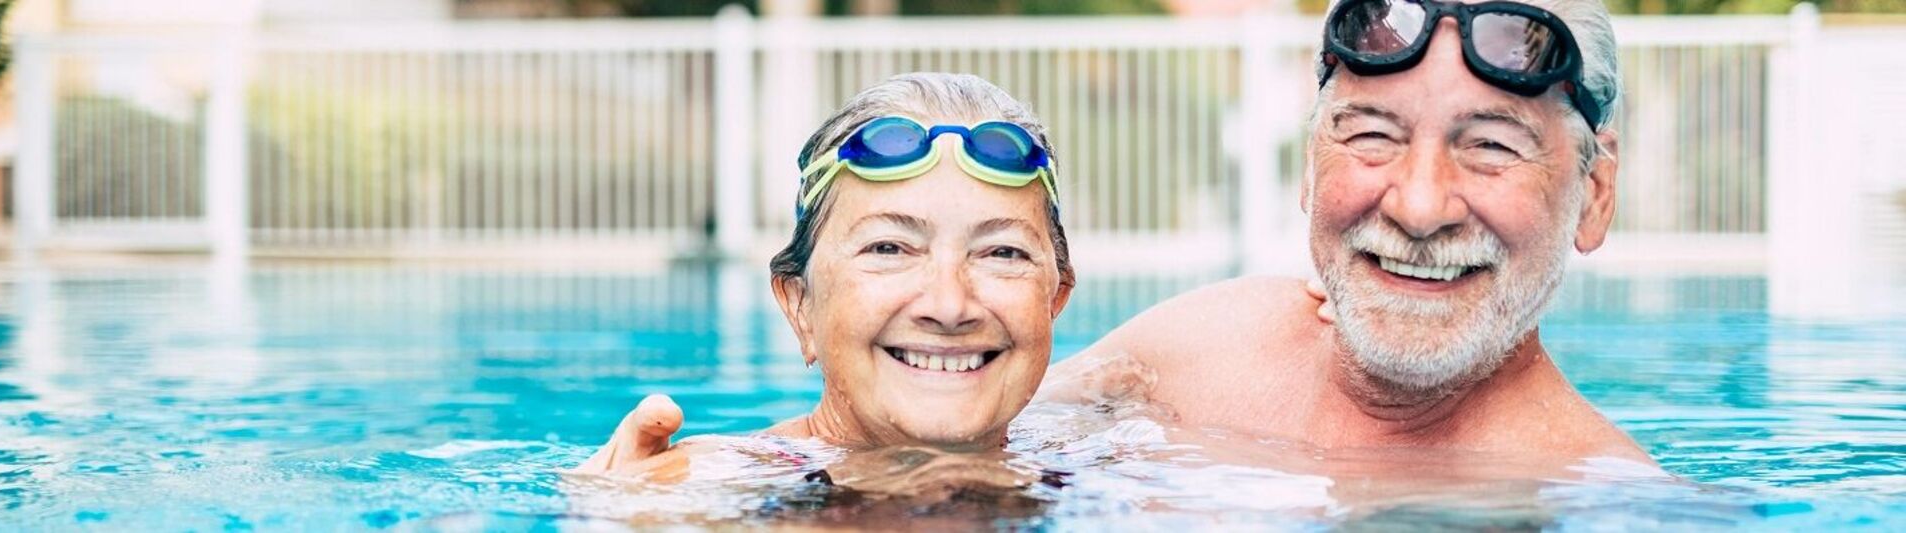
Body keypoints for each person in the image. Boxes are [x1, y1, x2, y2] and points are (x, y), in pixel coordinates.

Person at [600, 0, 1653, 473]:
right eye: (1371, 135)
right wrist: (726, 482)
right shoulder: (1204, 345)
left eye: (1489, 147)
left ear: (1595, 195)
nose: (1419, 205)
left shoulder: (1594, 499)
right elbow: (935, 429)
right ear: (1311, 165)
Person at [574, 72, 1076, 479]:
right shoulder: (723, 490)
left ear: (1055, 300)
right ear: (800, 306)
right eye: (888, 248)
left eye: (1002, 253)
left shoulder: (1112, 460)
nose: (949, 306)